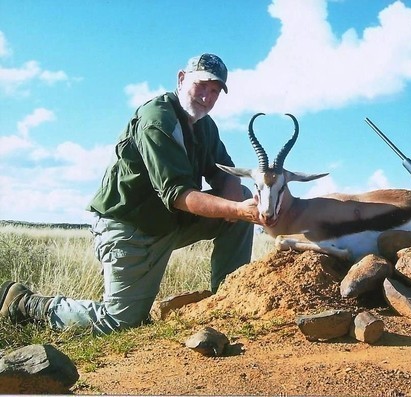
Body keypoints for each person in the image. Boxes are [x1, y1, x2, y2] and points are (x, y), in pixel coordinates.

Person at [0, 53, 262, 335]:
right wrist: (237, 210)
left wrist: (238, 201)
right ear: (181, 79)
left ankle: (228, 301)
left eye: (215, 91)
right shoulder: (158, 120)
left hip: (169, 221)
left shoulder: (204, 125)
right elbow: (178, 194)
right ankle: (26, 304)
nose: (207, 97)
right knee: (121, 322)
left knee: (241, 195)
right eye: (202, 86)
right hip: (130, 229)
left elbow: (225, 172)